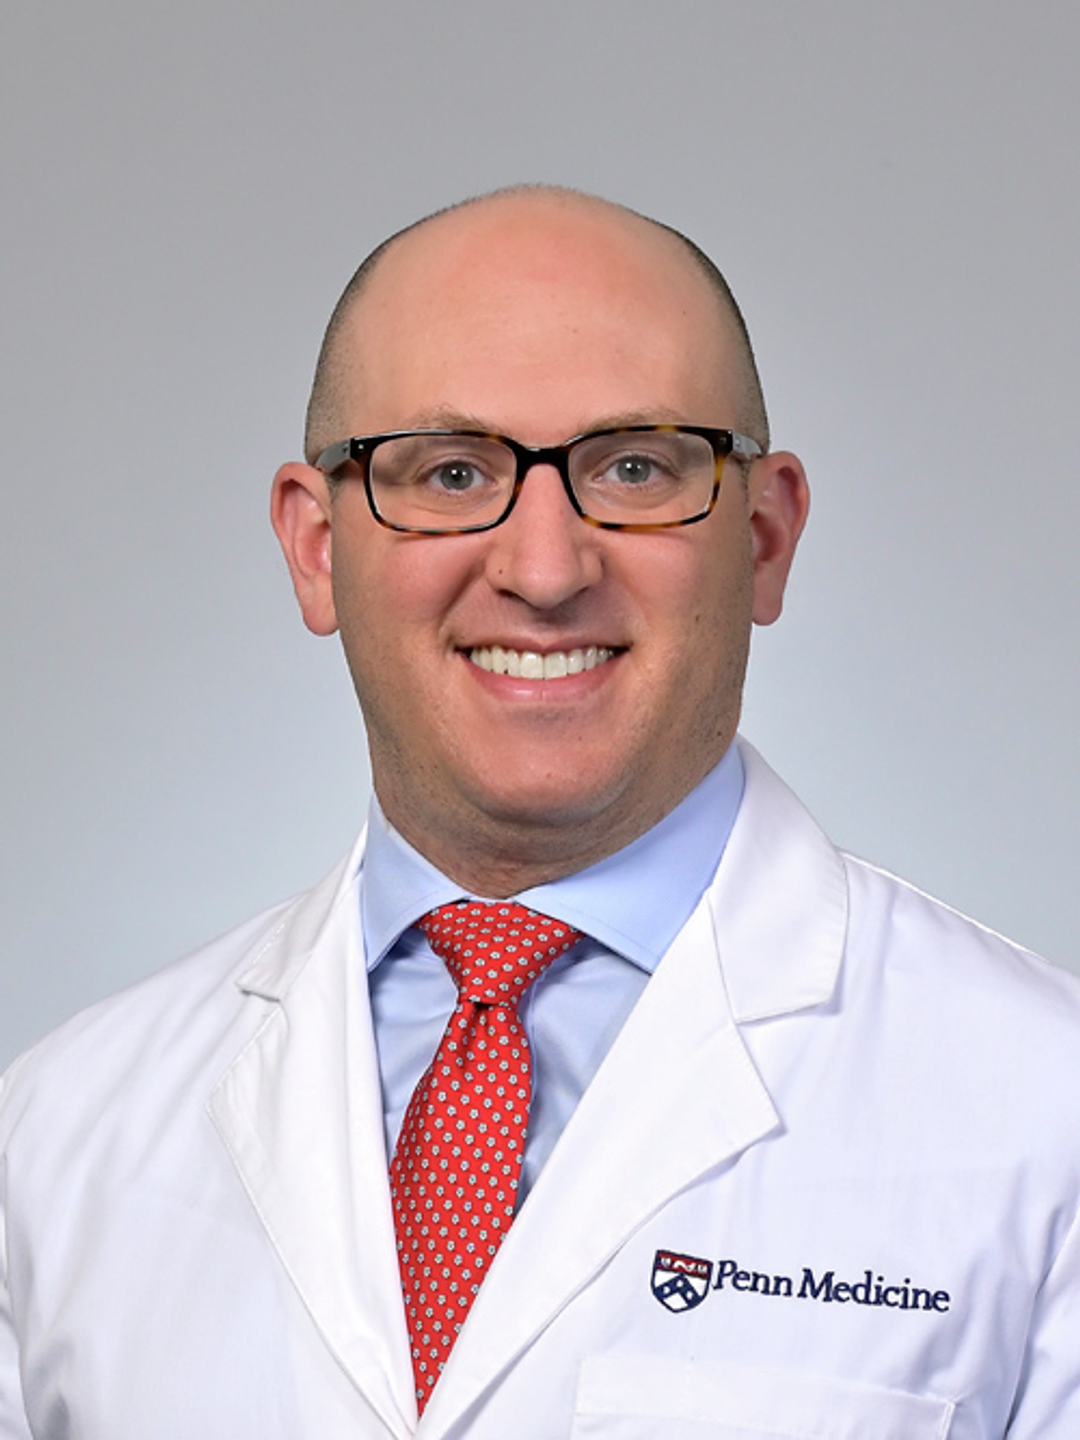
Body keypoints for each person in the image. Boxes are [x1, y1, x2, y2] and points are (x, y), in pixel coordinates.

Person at [1, 187, 1078, 1440]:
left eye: (636, 468)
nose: (545, 569)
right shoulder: (60, 1132)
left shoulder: (1043, 1112)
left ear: (765, 536)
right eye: (451, 473)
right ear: (315, 548)